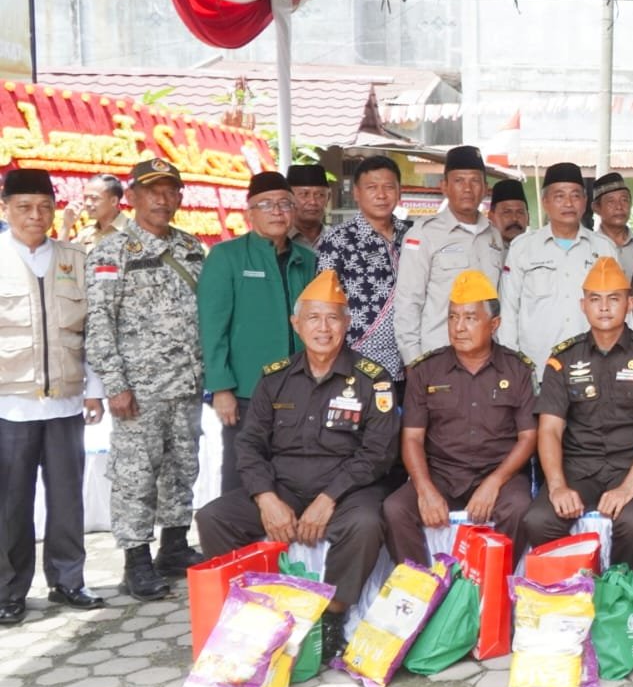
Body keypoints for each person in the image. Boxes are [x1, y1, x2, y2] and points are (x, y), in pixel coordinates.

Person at [195, 271, 397, 657]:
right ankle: (255, 609)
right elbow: (249, 445)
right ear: (296, 324)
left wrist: (328, 498)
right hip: (283, 486)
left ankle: (333, 617)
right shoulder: (275, 378)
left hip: (347, 489)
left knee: (366, 524)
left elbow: (378, 452)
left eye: (333, 318)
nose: (323, 328)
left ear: (347, 323)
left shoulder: (373, 380)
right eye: (313, 318)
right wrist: (266, 497)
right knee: (212, 518)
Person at [85, 159, 209, 601]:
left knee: (182, 467)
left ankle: (174, 547)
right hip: (139, 390)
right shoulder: (111, 252)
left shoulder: (191, 248)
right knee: (136, 475)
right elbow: (99, 323)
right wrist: (115, 384)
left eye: (170, 190)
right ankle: (135, 560)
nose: (162, 199)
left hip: (187, 384)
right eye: (152, 190)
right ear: (133, 197)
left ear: (179, 197)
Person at [524, 257, 633, 573]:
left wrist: (628, 487)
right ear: (583, 306)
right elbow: (550, 429)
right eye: (595, 299)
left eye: (614, 299)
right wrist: (556, 485)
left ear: (630, 304)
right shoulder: (563, 358)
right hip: (578, 468)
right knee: (538, 520)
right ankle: (572, 590)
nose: (605, 308)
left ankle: (618, 588)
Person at [0, 168, 106, 623]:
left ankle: (68, 581)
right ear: (5, 209)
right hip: (10, 405)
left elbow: (93, 332)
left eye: (45, 207)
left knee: (67, 500)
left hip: (65, 402)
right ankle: (9, 591)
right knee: (10, 505)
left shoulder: (74, 258)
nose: (35, 215)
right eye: (24, 207)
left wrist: (95, 390)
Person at [385, 270, 537, 563]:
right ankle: (422, 582)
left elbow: (529, 437)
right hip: (442, 473)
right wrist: (425, 489)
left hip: (500, 472)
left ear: (494, 324)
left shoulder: (517, 369)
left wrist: (494, 482)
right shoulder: (426, 370)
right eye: (453, 317)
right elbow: (412, 438)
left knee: (519, 508)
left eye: (470, 318)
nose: (459, 327)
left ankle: (491, 583)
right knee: (395, 509)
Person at [198, 171, 317, 493]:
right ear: (249, 212)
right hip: (247, 389)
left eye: (284, 204)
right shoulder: (227, 256)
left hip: (299, 387)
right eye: (266, 204)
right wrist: (221, 388)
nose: (277, 211)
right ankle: (235, 527)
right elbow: (212, 327)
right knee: (243, 469)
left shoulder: (307, 260)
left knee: (292, 469)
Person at [499, 163, 618, 380]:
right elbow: (509, 310)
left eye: (575, 195)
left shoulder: (604, 248)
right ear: (545, 202)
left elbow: (620, 309)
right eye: (559, 196)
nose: (568, 203)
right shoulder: (523, 248)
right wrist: (513, 364)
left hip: (594, 367)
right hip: (536, 368)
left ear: (585, 202)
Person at [393, 145, 507, 364]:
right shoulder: (424, 234)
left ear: (485, 188)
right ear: (444, 186)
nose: (467, 188)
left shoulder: (493, 235)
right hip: (439, 358)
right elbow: (408, 303)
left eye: (475, 181)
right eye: (459, 180)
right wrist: (414, 362)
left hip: (487, 360)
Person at [316, 155, 413, 381]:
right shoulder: (338, 240)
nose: (381, 195)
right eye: (372, 188)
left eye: (389, 187)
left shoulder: (413, 235)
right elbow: (325, 302)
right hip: (356, 361)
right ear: (357, 193)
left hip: (409, 360)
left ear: (399, 192)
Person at [592, 172, 633, 277]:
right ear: (596, 208)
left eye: (624, 200)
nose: (619, 207)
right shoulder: (589, 246)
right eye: (611, 201)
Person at [67, 174, 129, 247]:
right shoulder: (86, 234)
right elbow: (62, 253)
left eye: (94, 198)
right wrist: (66, 226)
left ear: (113, 201)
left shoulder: (133, 232)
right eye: (85, 198)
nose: (87, 203)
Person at [287, 164, 332, 251]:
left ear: (328, 198)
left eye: (320, 195)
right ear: (288, 198)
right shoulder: (277, 240)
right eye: (304, 194)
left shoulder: (341, 240)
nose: (313, 202)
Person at [488, 178, 530, 245]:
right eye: (507, 212)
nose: (514, 218)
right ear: (491, 217)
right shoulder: (481, 248)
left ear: (528, 218)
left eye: (520, 212)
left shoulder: (537, 248)